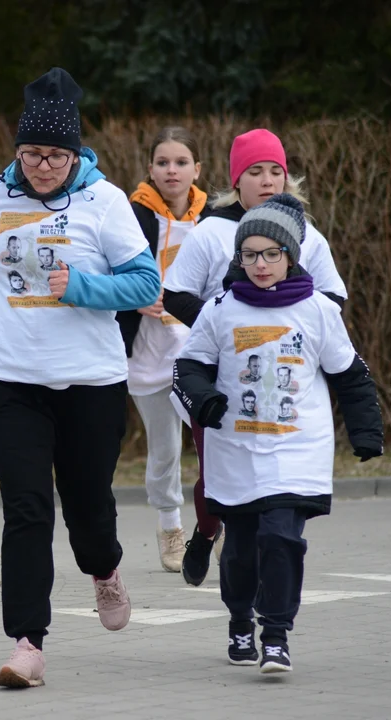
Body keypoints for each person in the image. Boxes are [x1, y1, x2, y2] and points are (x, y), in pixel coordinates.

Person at [0, 67, 162, 689]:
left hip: (90, 383)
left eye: (56, 156)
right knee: (26, 510)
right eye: (33, 154)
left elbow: (145, 284)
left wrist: (82, 288)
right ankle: (27, 643)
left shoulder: (106, 202)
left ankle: (104, 569)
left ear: (76, 155)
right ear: (18, 152)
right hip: (9, 378)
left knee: (89, 512)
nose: (44, 167)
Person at [172, 193, 383, 674]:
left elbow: (351, 374)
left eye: (271, 254)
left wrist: (366, 431)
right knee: (243, 548)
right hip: (236, 449)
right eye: (250, 255)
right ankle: (240, 621)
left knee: (282, 538)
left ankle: (276, 635)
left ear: (290, 255)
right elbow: (189, 367)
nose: (261, 264)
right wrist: (204, 400)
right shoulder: (221, 309)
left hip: (296, 449)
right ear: (238, 258)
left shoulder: (317, 310)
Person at [162, 128, 349, 587]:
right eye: (255, 171)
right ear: (235, 181)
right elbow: (173, 294)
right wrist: (227, 323)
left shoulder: (307, 234)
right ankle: (206, 533)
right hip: (220, 375)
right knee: (216, 475)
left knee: (275, 479)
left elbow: (333, 298)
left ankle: (266, 554)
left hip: (282, 377)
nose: (267, 180)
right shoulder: (212, 231)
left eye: (275, 171)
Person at [115, 126, 213, 573]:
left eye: (180, 162)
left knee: (215, 440)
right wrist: (134, 297)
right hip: (148, 348)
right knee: (165, 447)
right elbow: (105, 272)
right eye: (162, 162)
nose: (171, 170)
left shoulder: (213, 218)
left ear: (198, 169)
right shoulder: (130, 214)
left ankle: (216, 520)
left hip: (199, 345)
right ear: (150, 169)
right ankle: (170, 525)